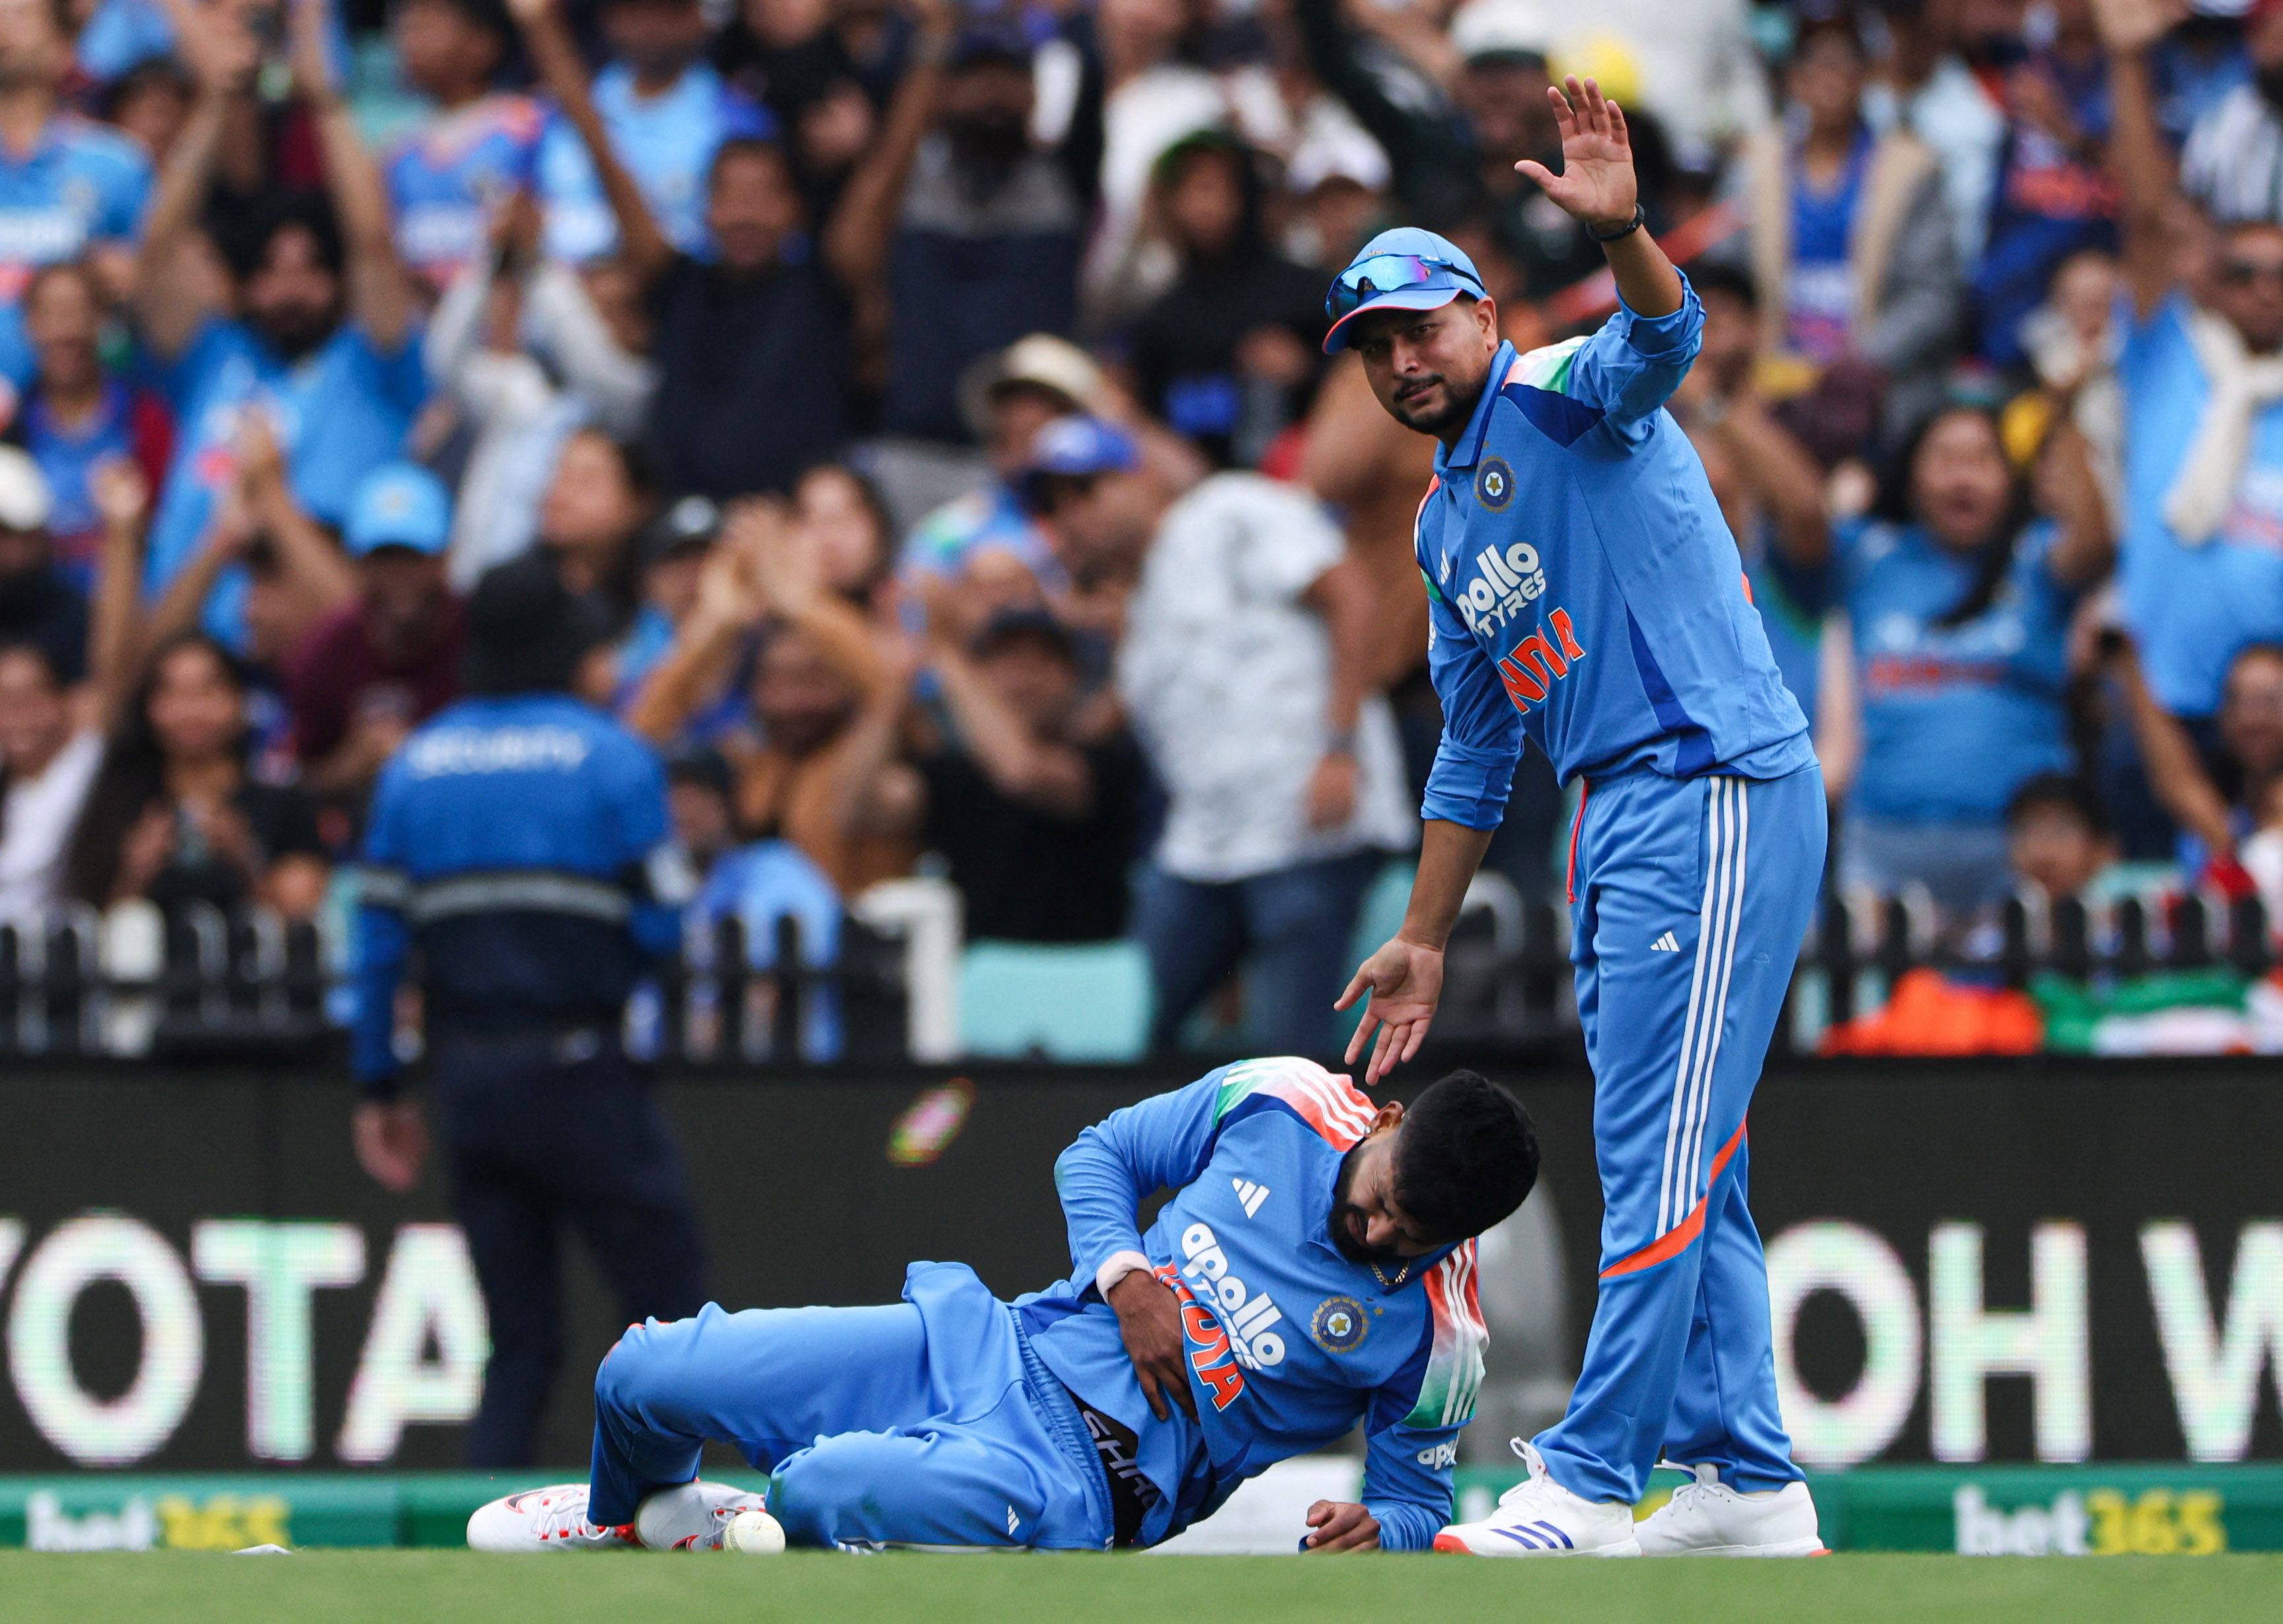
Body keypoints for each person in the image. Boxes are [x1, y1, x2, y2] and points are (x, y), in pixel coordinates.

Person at [1331, 80, 1826, 1557]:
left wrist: (1626, 237)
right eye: (1373, 348)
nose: (1401, 360)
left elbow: (1662, 342)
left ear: (1479, 314)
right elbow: (1474, 753)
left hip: (1710, 777)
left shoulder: (1555, 388)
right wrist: (1421, 935)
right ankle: (1744, 1479)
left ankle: (1593, 1477)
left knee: (1659, 1152)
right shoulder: (1438, 525)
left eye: (1419, 326)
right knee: (1695, 1153)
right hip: (1612, 813)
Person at [463, 1060, 1536, 1553]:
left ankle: (722, 1524)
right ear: (1385, 1117)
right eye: (1384, 1199)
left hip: (1086, 1480)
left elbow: (1416, 1503)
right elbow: (1102, 1151)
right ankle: (626, 1520)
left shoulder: (1443, 1335)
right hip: (991, 1343)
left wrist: (1378, 1529)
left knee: (822, 1486)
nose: (1383, 1234)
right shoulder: (1282, 1098)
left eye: (1419, 1234)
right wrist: (1126, 1277)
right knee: (641, 1373)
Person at [352, 552, 707, 1467]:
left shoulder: (414, 765)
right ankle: (690, 1521)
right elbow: (667, 924)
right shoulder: (612, 755)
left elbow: (378, 946)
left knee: (518, 1344)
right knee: (671, 1324)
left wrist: (378, 1084)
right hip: (583, 1073)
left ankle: (490, 1552)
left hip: (468, 1081)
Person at [1111, 411, 1414, 1054]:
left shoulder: (1230, 507)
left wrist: (1338, 748)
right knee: (1133, 1032)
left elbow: (1352, 598)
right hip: (1203, 851)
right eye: (1051, 503)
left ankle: (1312, 1154)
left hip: (1308, 831)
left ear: (1138, 477)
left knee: (1287, 1056)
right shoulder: (1137, 614)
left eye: (1086, 489)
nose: (1073, 515)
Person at [133, 0, 425, 649]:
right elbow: (153, 258)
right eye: (270, 269)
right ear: (244, 286)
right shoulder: (215, 357)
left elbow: (374, 243)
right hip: (188, 671)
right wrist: (215, 106)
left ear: (340, 284)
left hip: (328, 664)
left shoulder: (373, 364)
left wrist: (326, 103)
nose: (289, 289)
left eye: (311, 268)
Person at [516, 0, 849, 501]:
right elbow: (606, 157)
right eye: (729, 198)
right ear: (705, 209)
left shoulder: (825, 288)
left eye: (762, 199)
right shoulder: (677, 282)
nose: (744, 215)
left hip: (786, 522)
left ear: (795, 210)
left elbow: (880, 192)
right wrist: (541, 28)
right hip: (678, 523)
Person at [1799, 406, 2112, 913]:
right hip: (1883, 847)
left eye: (1982, 460)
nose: (1963, 476)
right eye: (1944, 459)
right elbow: (1799, 519)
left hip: (2020, 853)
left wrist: (2064, 413)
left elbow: (2097, 541)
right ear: (1911, 474)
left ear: (2011, 481)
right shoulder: (1866, 558)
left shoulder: (2036, 562)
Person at [1717, 9, 1960, 445]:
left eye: (1844, 61)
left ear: (1867, 75)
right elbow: (1725, 277)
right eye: (1814, 62)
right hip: (1769, 381)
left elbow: (1934, 295)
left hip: (1879, 390)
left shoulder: (1913, 169)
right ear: (1792, 78)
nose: (1830, 76)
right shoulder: (1754, 166)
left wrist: (1856, 363)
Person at [914, 608, 1144, 943]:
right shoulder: (955, 771)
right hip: (979, 974)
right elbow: (860, 807)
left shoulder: (1104, 761)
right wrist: (889, 695)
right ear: (981, 678)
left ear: (1074, 678)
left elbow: (1023, 773)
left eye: (1043, 664)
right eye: (1008, 664)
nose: (1025, 679)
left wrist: (946, 654)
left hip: (1089, 973)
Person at [61, 630, 328, 920]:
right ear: (148, 708)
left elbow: (306, 917)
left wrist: (246, 859)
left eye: (207, 691)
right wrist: (134, 874)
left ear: (239, 701)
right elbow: (84, 924)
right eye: (172, 694)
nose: (190, 710)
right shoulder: (119, 799)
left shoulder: (283, 799)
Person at [1125, 132, 1329, 471]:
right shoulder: (1157, 320)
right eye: (1186, 189)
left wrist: (1305, 370)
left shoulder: (1311, 293)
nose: (1201, 205)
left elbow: (1360, 382)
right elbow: (1148, 418)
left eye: (1211, 187)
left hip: (1304, 481)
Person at [533, 0, 776, 262]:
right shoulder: (558, 109)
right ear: (609, 18)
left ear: (700, 18)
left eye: (668, 12)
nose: (650, 26)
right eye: (635, 11)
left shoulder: (739, 120)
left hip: (679, 293)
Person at [285, 462, 466, 807]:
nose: (399, 575)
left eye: (414, 557)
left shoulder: (485, 638)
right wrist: (353, 762)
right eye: (383, 558)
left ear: (445, 559)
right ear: (357, 565)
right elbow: (297, 786)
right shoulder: (319, 657)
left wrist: (423, 758)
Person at [0, 0, 151, 387]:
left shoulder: (119, 165)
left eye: (19, 13)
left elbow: (155, 299)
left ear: (62, 47)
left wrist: (129, 278)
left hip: (81, 420)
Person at [3, 261, 173, 594]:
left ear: (103, 321)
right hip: (38, 619)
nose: (66, 331)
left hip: (133, 606)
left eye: (79, 313)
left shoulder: (146, 420)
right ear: (28, 325)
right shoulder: (11, 432)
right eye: (50, 314)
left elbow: (170, 527)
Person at [385, 0, 545, 293]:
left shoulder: (528, 126)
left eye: (427, 26)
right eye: (404, 29)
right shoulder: (399, 150)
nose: (410, 40)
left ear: (483, 43)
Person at [2005, 772, 2119, 903]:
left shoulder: (2128, 916)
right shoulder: (1994, 917)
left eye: (2060, 833)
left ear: (2104, 849)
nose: (2041, 854)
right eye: (2025, 832)